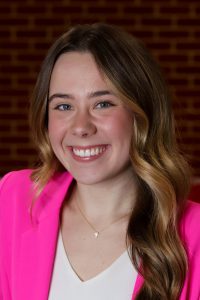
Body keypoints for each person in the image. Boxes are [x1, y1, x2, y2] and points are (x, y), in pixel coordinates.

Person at [0, 23, 200, 300]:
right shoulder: (13, 199)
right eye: (64, 106)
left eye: (102, 104)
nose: (81, 127)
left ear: (142, 113)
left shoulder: (194, 234)